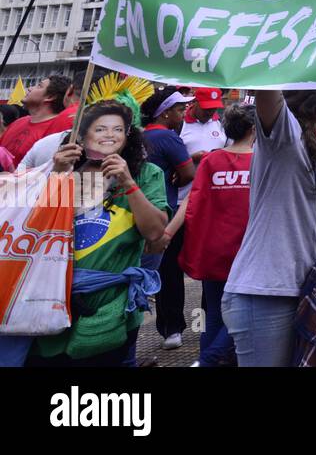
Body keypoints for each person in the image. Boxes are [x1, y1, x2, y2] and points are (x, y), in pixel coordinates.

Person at [29, 101, 168, 366]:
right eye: (99, 128)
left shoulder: (146, 174)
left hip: (111, 307)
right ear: (81, 135)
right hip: (51, 300)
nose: (109, 135)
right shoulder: (62, 173)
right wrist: (55, 174)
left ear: (129, 135)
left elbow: (153, 232)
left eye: (117, 129)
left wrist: (128, 183)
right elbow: (32, 228)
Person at [222, 84, 316, 367]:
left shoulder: (312, 145)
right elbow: (267, 90)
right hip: (266, 293)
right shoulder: (285, 136)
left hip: (304, 288)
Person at [176, 103, 256, 367]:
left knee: (213, 315)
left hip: (213, 251)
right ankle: (206, 362)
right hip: (247, 252)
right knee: (243, 315)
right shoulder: (260, 163)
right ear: (255, 130)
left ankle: (205, 359)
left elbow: (195, 204)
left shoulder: (211, 160)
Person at [139, 86, 197, 351]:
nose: (183, 114)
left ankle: (161, 327)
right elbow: (188, 174)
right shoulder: (169, 138)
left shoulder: (140, 135)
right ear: (165, 113)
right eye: (179, 109)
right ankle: (173, 329)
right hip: (166, 213)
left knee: (150, 273)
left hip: (138, 215)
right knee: (170, 273)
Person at [0, 74, 74, 162]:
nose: (30, 88)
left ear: (50, 97)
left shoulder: (56, 130)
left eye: (39, 86)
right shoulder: (18, 122)